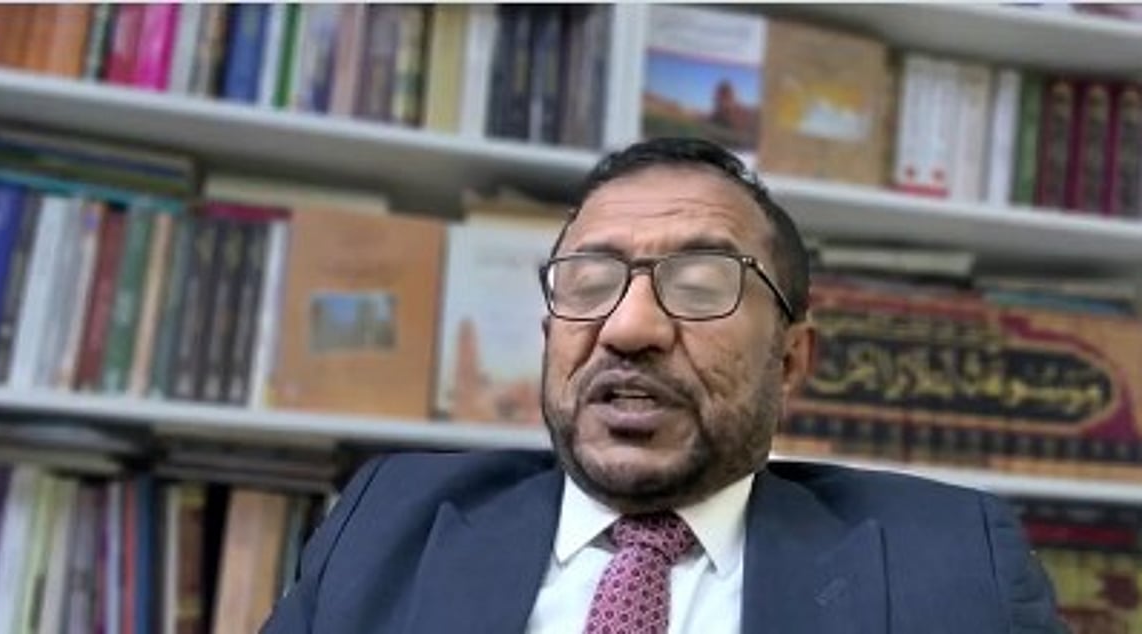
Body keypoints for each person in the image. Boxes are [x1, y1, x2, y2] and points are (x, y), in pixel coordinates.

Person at [262, 137, 1066, 634]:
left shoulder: (954, 564)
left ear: (791, 361)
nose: (629, 327)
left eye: (702, 284)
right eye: (590, 282)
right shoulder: (391, 522)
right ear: (549, 336)